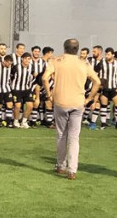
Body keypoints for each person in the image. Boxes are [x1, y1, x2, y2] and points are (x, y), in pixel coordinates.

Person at [43, 38, 100, 180]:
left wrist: (49, 94)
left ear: (64, 47)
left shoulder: (56, 61)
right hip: (78, 102)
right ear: (77, 49)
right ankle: (72, 170)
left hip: (60, 102)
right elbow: (97, 82)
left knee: (61, 135)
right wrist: (89, 98)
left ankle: (61, 166)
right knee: (74, 138)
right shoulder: (84, 63)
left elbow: (45, 78)